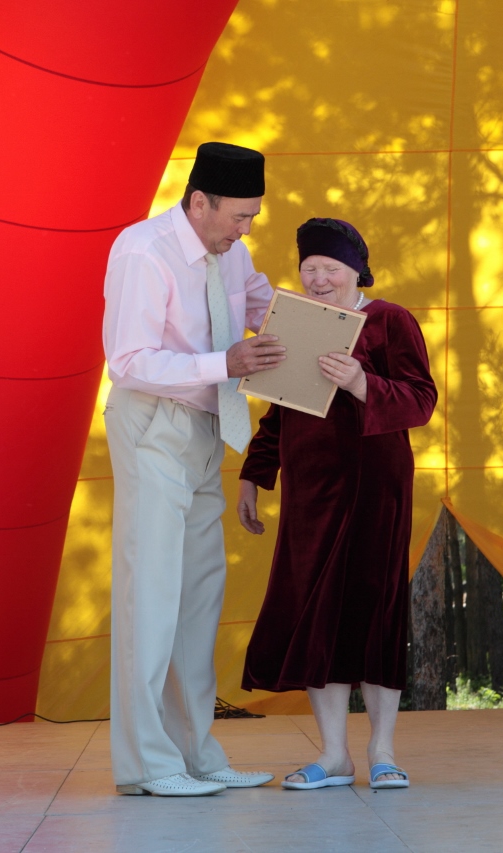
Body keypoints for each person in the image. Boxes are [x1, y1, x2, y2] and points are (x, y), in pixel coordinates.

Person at [102, 142, 285, 797]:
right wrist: (223, 364)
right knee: (150, 595)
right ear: (199, 201)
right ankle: (148, 766)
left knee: (197, 602)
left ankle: (196, 754)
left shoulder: (231, 252)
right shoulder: (142, 251)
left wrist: (333, 318)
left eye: (253, 217)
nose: (246, 230)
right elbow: (128, 361)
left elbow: (263, 306)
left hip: (210, 430)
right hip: (154, 426)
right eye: (239, 216)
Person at [237, 218, 436, 791]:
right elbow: (280, 408)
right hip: (311, 491)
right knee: (315, 610)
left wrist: (360, 383)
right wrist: (255, 474)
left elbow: (422, 398)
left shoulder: (390, 319)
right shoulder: (295, 323)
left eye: (331, 269)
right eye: (310, 269)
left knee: (374, 608)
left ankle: (382, 751)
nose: (319, 279)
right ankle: (333, 756)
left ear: (357, 272)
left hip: (377, 487)